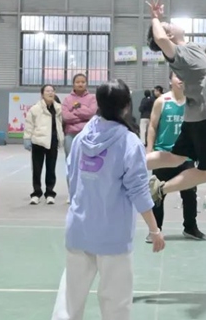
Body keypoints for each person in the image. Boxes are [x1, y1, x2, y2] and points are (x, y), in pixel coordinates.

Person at [51, 79, 164, 320]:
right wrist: (154, 229)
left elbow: (72, 177)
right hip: (113, 236)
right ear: (126, 106)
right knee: (116, 304)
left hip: (79, 230)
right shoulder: (129, 142)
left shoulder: (82, 137)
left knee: (69, 301)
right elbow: (138, 190)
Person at [144, 0, 206, 202]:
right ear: (169, 35)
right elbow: (160, 39)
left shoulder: (193, 47)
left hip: (196, 115)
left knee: (176, 157)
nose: (171, 23)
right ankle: (161, 189)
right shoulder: (177, 53)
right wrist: (155, 17)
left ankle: (126, 163)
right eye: (167, 25)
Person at [146, 71, 205, 241]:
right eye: (177, 76)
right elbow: (152, 126)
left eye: (183, 76)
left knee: (190, 193)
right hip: (163, 154)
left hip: (186, 156)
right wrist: (149, 150)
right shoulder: (161, 101)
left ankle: (190, 228)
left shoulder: (193, 102)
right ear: (170, 80)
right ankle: (155, 230)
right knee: (157, 193)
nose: (181, 79)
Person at [24, 84, 65, 205]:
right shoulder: (35, 109)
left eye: (52, 91)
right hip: (38, 141)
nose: (50, 93)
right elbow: (29, 124)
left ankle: (50, 193)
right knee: (37, 169)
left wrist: (61, 137)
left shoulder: (59, 108)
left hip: (53, 141)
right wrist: (27, 138)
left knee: (51, 169)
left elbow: (62, 124)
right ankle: (36, 193)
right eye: (47, 91)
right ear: (42, 94)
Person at [62, 74, 97, 202]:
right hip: (70, 136)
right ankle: (71, 192)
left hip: (88, 136)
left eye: (83, 82)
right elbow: (66, 117)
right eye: (77, 82)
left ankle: (87, 193)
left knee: (89, 164)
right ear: (73, 84)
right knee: (71, 164)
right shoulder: (67, 99)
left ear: (86, 83)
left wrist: (76, 109)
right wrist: (83, 115)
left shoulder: (92, 98)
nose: (80, 84)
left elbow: (92, 114)